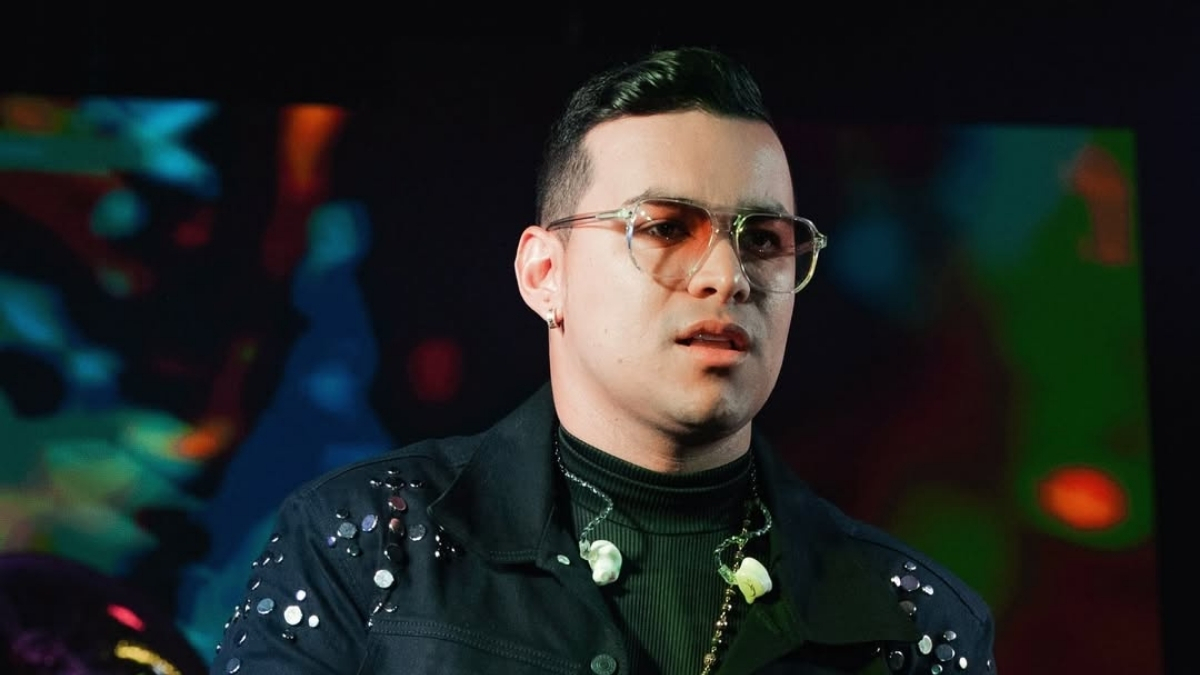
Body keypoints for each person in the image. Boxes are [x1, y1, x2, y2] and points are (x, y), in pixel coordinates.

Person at [209, 46, 997, 675]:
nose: (727, 275)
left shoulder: (916, 619)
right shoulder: (360, 544)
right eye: (665, 227)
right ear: (543, 274)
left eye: (763, 238)